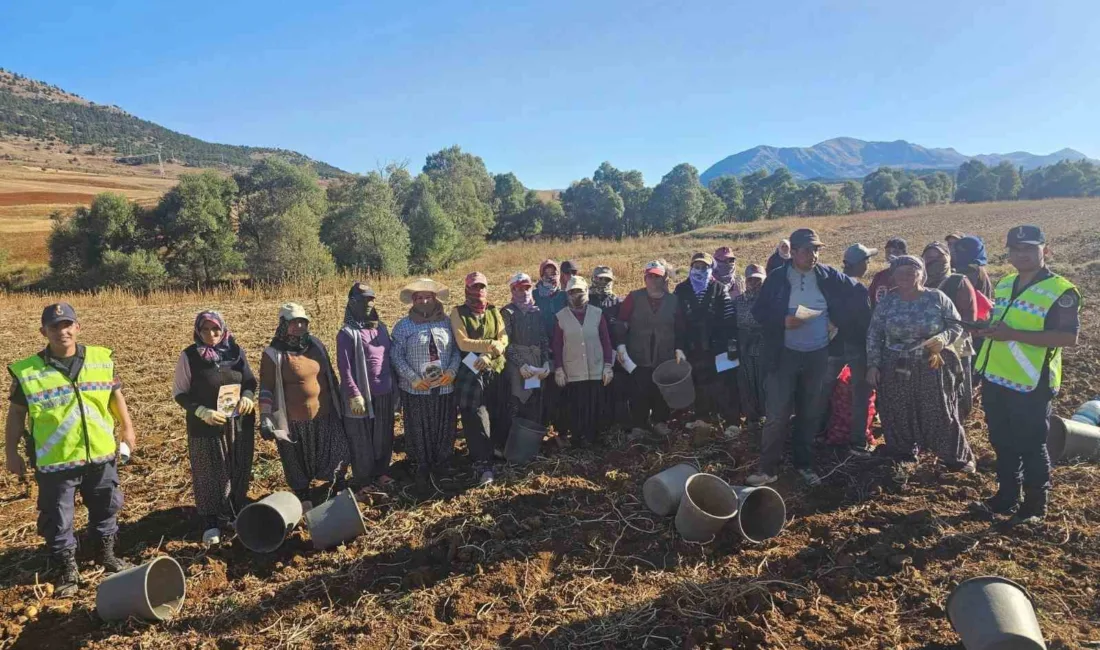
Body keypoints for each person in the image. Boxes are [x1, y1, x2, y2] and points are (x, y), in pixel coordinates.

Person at [5, 303, 135, 596]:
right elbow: (15, 414)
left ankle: (106, 555)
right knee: (57, 517)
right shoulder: (28, 371)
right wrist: (10, 452)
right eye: (54, 327)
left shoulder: (101, 359)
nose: (62, 331)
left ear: (77, 327)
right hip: (55, 461)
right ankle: (66, 568)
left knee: (106, 507)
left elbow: (115, 397)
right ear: (44, 332)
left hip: (100, 455)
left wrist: (127, 428)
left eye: (67, 325)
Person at [747, 229, 870, 486]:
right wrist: (782, 321)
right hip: (784, 356)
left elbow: (858, 293)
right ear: (793, 252)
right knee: (778, 414)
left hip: (817, 355)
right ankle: (767, 468)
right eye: (807, 250)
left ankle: (804, 464)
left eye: (817, 250)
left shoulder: (827, 275)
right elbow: (758, 312)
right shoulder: (778, 278)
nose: (813, 255)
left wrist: (837, 322)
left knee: (810, 412)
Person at [976, 225, 1079, 523]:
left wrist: (1013, 334)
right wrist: (989, 330)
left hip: (1031, 382)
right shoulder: (1006, 283)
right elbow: (1002, 325)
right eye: (1015, 249)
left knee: (1031, 444)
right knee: (1001, 440)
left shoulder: (1062, 291)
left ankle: (1035, 505)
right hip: (996, 377)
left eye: (1029, 249)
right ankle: (1007, 495)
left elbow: (1067, 337)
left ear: (1045, 251)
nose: (1021, 254)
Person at [866, 256, 975, 472]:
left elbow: (956, 327)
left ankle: (956, 457)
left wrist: (943, 339)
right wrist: (873, 365)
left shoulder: (937, 298)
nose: (905, 276)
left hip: (931, 363)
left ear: (921, 274)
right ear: (893, 276)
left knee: (939, 409)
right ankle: (903, 452)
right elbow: (874, 334)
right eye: (900, 272)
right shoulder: (888, 301)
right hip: (895, 363)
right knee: (897, 408)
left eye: (911, 271)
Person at [172, 311, 257, 545]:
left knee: (239, 466)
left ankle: (235, 511)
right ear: (198, 331)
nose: (211, 334)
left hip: (238, 422)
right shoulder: (189, 356)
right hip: (206, 425)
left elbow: (249, 381)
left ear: (223, 328)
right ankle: (211, 521)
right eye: (205, 330)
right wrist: (201, 411)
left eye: (216, 329)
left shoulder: (235, 351)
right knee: (209, 471)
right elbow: (179, 393)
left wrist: (248, 396)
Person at [259, 303, 349, 511]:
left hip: (325, 413)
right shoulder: (274, 354)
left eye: (303, 322)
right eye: (294, 322)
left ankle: (337, 484)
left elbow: (330, 376)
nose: (299, 326)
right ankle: (303, 493)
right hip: (294, 420)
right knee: (296, 459)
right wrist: (265, 416)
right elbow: (267, 387)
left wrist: (341, 400)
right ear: (283, 325)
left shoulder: (315, 344)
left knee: (338, 450)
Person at [391, 279, 460, 492]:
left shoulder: (447, 322)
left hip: (444, 386)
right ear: (413, 301)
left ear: (435, 298)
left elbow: (457, 350)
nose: (423, 301)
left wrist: (451, 371)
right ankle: (420, 464)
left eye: (427, 297)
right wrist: (412, 378)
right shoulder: (404, 326)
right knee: (418, 426)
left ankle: (443, 462)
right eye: (419, 298)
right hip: (416, 388)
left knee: (444, 424)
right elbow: (396, 355)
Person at [336, 283, 396, 498]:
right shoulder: (347, 333)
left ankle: (381, 472)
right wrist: (353, 393)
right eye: (363, 300)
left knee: (383, 435)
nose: (368, 304)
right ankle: (362, 479)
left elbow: (389, 358)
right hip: (361, 395)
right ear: (352, 303)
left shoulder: (381, 328)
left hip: (384, 392)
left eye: (371, 299)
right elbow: (345, 367)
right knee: (360, 438)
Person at [450, 272, 509, 486]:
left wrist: (492, 351)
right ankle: (482, 463)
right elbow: (463, 342)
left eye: (482, 286)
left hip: (495, 367)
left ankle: (495, 450)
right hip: (470, 370)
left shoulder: (493, 310)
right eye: (474, 287)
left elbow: (503, 337)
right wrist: (489, 347)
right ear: (467, 289)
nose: (479, 290)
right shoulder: (458, 312)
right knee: (476, 416)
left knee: (498, 410)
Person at [615, 260, 686, 436]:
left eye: (658, 277)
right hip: (638, 354)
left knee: (661, 390)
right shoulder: (633, 297)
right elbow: (621, 324)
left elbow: (680, 328)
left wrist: (679, 348)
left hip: (665, 353)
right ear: (645, 278)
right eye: (650, 276)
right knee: (639, 389)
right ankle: (639, 425)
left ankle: (660, 422)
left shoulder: (673, 301)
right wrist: (621, 347)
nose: (654, 280)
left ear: (664, 280)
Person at [673, 251, 739, 425]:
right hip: (691, 345)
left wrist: (730, 345)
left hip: (716, 344)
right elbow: (677, 321)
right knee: (698, 381)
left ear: (711, 269)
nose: (700, 270)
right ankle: (701, 417)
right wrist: (678, 346)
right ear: (691, 267)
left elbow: (728, 318)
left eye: (705, 267)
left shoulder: (718, 288)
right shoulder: (681, 289)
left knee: (723, 383)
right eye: (697, 266)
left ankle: (730, 421)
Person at [553, 276, 615, 446]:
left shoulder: (597, 314)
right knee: (577, 406)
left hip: (596, 368)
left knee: (594, 405)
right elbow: (557, 345)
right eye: (572, 292)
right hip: (573, 370)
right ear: (567, 294)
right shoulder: (561, 317)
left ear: (586, 291)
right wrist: (558, 368)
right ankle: (578, 438)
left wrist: (608, 365)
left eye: (579, 291)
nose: (576, 295)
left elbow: (606, 341)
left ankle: (594, 438)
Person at [827, 244, 877, 455]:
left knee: (823, 389)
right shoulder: (858, 289)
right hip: (856, 345)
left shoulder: (832, 285)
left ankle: (820, 430)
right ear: (859, 264)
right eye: (867, 260)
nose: (868, 264)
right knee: (861, 392)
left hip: (833, 344)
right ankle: (857, 441)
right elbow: (867, 322)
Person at [922, 242, 978, 419]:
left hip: (956, 343)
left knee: (956, 386)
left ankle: (958, 419)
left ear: (948, 258)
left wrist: (947, 335)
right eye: (928, 258)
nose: (933, 262)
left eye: (938, 257)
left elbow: (969, 318)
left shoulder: (957, 281)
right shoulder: (920, 283)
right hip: (929, 344)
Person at [501, 272, 551, 443]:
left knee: (536, 399)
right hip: (516, 365)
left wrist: (545, 361)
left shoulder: (536, 311)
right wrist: (521, 364)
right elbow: (505, 343)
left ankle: (531, 441)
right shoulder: (507, 312)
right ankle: (513, 441)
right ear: (512, 290)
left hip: (536, 361)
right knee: (516, 400)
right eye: (519, 288)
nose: (523, 292)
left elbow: (543, 338)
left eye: (527, 288)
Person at [588, 265, 631, 429]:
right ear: (593, 279)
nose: (603, 282)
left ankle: (617, 424)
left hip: (613, 353)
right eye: (600, 279)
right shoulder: (585, 300)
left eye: (607, 279)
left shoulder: (618, 302)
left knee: (616, 386)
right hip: (590, 352)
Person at [732, 264, 768, 427]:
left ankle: (766, 415)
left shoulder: (770, 301)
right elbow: (731, 326)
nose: (754, 283)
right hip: (744, 346)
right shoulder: (738, 301)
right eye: (751, 280)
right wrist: (733, 349)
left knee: (764, 382)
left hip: (763, 346)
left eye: (758, 280)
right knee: (746, 382)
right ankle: (751, 417)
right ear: (745, 281)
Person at [869, 238, 908, 308]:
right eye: (888, 252)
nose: (891, 255)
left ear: (905, 254)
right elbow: (870, 300)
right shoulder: (879, 276)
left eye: (896, 252)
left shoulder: (911, 276)